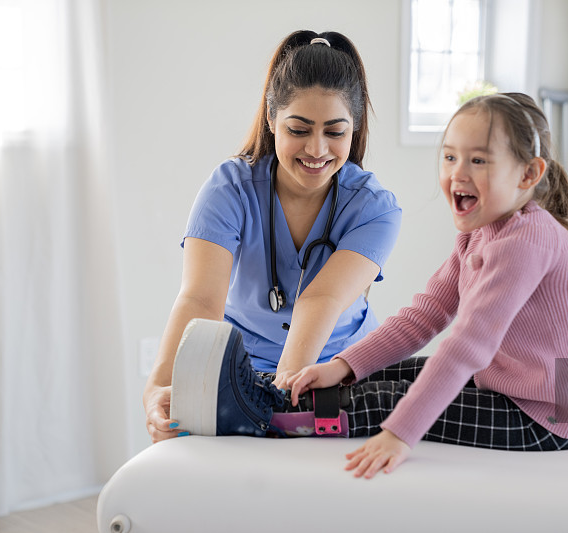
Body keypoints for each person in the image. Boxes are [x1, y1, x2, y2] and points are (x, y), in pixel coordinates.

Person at [168, 92, 568, 479]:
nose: (457, 174)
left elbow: (468, 344)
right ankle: (269, 394)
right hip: (521, 388)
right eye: (449, 157)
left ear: (528, 175)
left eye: (479, 161)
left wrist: (400, 433)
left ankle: (263, 417)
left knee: (388, 401)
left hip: (551, 416)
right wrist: (344, 367)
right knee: (383, 375)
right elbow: (423, 317)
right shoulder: (482, 231)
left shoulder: (526, 240)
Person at [143, 30, 402, 444]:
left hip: (343, 369)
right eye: (299, 129)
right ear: (271, 119)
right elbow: (200, 299)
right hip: (243, 367)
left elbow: (322, 300)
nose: (317, 149)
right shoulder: (229, 188)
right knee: (175, 441)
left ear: (354, 128)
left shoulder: (376, 209)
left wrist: (280, 400)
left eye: (335, 132)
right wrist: (158, 386)